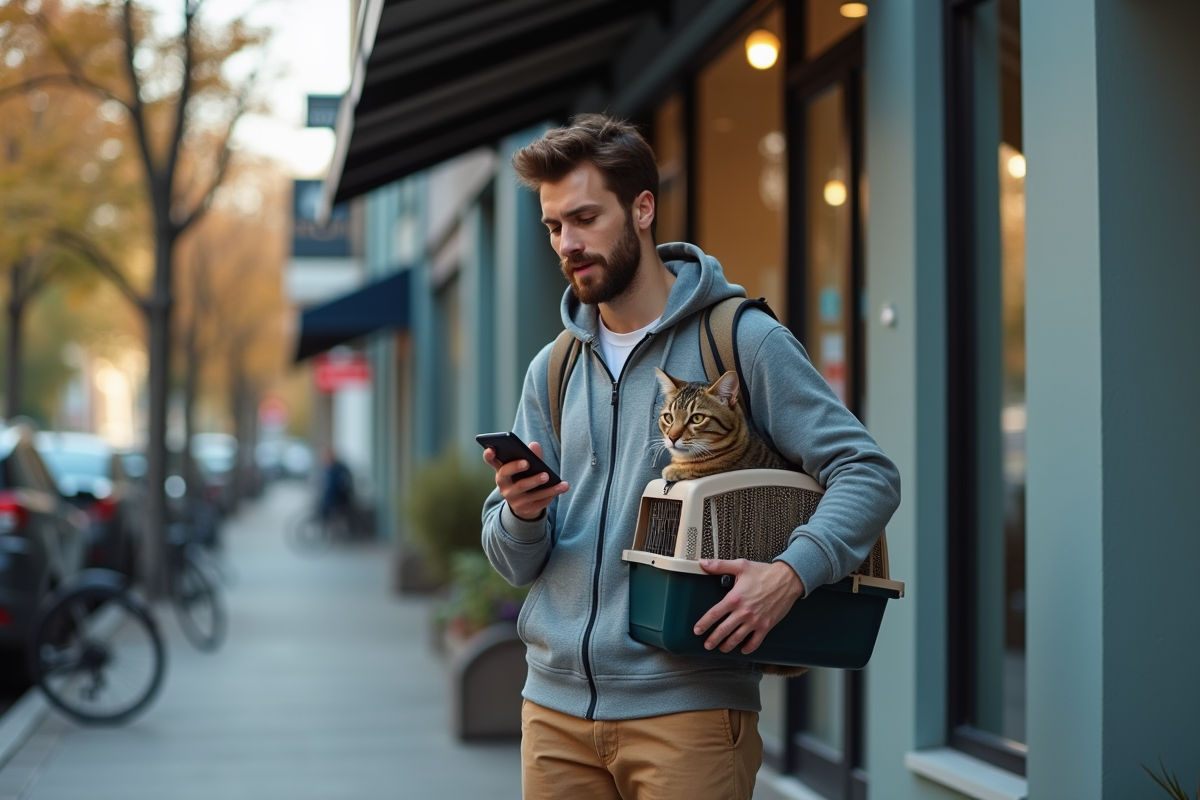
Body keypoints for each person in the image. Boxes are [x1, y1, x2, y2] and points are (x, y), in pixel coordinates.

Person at [480, 114, 900, 799]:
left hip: (689, 713)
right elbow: (514, 562)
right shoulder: (553, 368)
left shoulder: (742, 340)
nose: (568, 243)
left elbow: (867, 472)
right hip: (553, 716)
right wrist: (520, 514)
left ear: (642, 209)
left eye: (584, 218)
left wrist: (790, 574)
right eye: (554, 226)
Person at [318, 447, 354, 528]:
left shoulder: (337, 469)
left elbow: (333, 488)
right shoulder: (332, 468)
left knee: (323, 509)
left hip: (339, 498)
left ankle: (326, 525)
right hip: (336, 497)